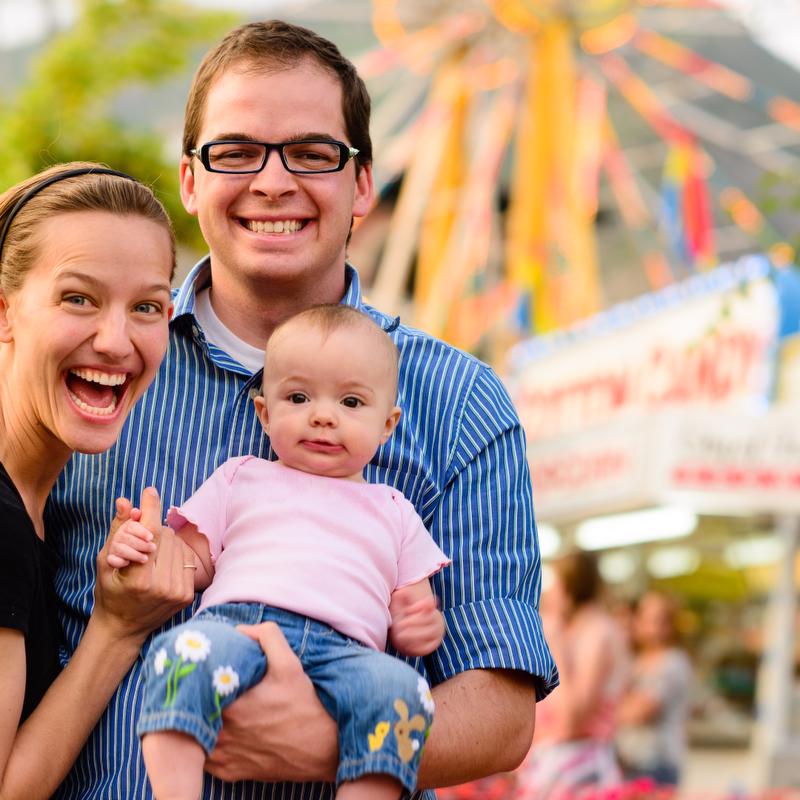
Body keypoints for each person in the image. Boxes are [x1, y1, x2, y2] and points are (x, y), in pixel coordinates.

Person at [48, 20, 558, 800]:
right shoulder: (93, 374)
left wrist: (324, 741)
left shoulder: (458, 403)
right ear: (190, 180)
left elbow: (500, 714)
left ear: (361, 184)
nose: (273, 182)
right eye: (236, 152)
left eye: (313, 154)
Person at [108, 305, 449, 799]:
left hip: (348, 651)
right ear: (265, 414)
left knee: (403, 695)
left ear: (387, 425)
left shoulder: (396, 510)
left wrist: (422, 624)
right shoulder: (241, 476)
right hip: (236, 626)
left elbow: (412, 603)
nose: (323, 415)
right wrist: (148, 545)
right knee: (179, 654)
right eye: (298, 396)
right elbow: (193, 563)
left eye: (352, 403)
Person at [0, 162, 196, 798]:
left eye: (146, 307)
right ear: (5, 313)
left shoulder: (39, 503)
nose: (116, 341)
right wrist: (118, 630)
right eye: (77, 298)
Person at [513, 551, 629, 799]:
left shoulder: (597, 633)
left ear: (567, 587)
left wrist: (554, 642)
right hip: (560, 765)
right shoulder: (579, 629)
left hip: (577, 769)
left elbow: (571, 719)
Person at [615, 590, 693, 788]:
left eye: (659, 620)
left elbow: (640, 711)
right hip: (630, 762)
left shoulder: (673, 663)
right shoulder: (636, 661)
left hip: (657, 765)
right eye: (644, 618)